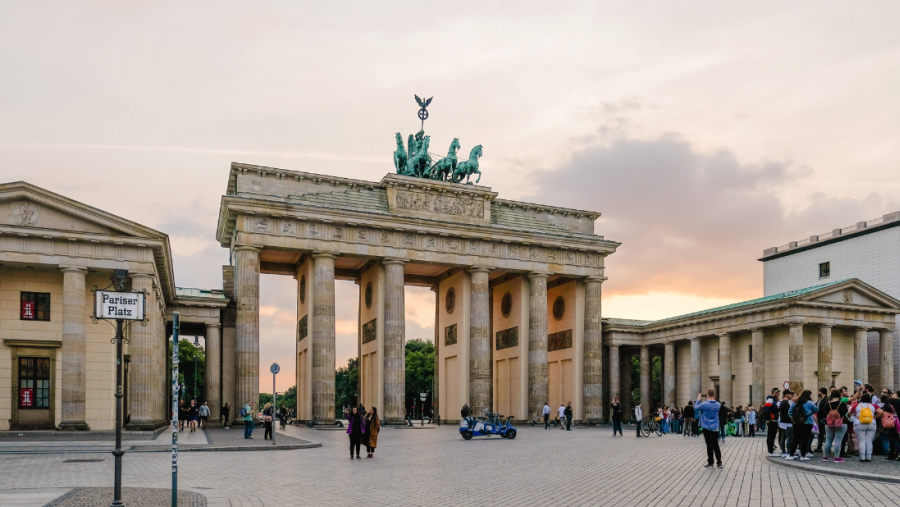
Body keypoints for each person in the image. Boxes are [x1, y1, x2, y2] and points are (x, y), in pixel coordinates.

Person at [694, 389, 723, 468]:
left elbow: (695, 408)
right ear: (714, 394)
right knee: (716, 444)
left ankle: (711, 462)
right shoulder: (718, 404)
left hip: (706, 427)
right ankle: (719, 462)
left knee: (709, 445)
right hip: (715, 426)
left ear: (707, 394)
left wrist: (698, 399)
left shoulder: (705, 404)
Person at [850, 392, 882, 462]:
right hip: (871, 423)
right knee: (869, 441)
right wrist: (875, 417)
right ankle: (868, 457)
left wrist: (852, 417)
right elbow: (880, 412)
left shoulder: (857, 406)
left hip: (859, 423)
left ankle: (862, 457)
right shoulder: (873, 406)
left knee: (861, 441)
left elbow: (849, 413)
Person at [787, 390, 817, 461]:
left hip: (797, 423)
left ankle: (791, 455)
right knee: (805, 439)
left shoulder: (797, 402)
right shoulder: (810, 403)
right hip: (807, 423)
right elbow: (816, 410)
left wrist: (794, 418)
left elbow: (790, 412)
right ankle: (803, 455)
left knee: (795, 439)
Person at [822, 390, 848, 463]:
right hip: (840, 424)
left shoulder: (827, 404)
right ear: (839, 395)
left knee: (828, 440)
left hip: (829, 424)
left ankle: (825, 456)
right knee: (838, 440)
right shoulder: (842, 404)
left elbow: (824, 413)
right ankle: (836, 457)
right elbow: (844, 413)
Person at [878, 395, 899, 461]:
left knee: (885, 441)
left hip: (884, 426)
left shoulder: (882, 408)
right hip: (892, 425)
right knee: (894, 440)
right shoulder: (893, 408)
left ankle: (886, 456)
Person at [764, 389, 780, 456]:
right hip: (772, 420)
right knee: (771, 436)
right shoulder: (770, 400)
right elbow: (765, 409)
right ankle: (770, 451)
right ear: (775, 393)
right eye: (778, 394)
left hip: (773, 420)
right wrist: (768, 418)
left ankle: (771, 451)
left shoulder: (773, 400)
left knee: (772, 436)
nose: (779, 395)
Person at [779, 391, 794, 458]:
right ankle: (788, 453)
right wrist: (792, 419)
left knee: (783, 438)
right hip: (787, 423)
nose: (791, 396)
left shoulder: (782, 402)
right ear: (786, 395)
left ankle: (783, 452)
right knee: (789, 438)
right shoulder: (786, 403)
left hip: (782, 422)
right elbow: (787, 414)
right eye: (790, 394)